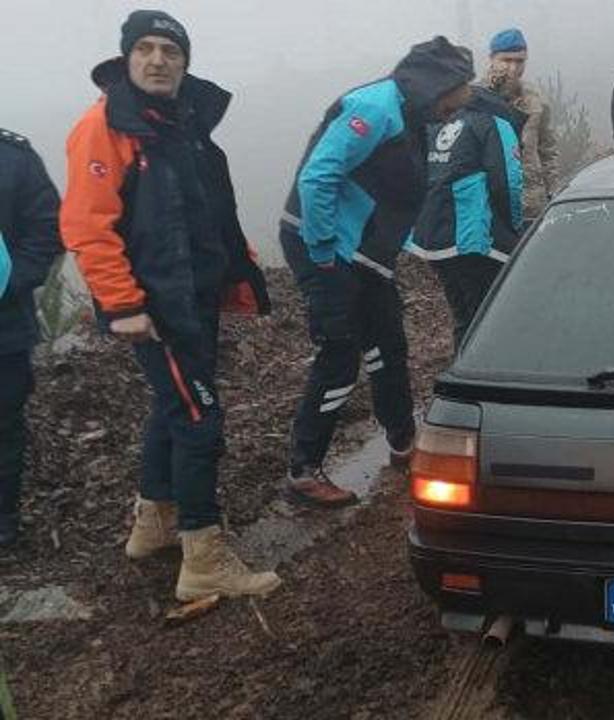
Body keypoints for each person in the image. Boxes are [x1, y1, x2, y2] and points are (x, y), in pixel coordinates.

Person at [60, 10, 279, 600]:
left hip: (194, 296)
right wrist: (123, 304)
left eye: (171, 51)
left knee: (171, 408)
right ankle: (204, 556)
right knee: (199, 418)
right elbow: (87, 225)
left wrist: (240, 265)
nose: (159, 60)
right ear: (127, 59)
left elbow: (206, 207)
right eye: (147, 50)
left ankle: (152, 526)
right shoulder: (105, 126)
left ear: (185, 62)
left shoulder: (180, 123)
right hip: (156, 309)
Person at [279, 37, 474, 508]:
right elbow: (318, 176)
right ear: (437, 84)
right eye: (460, 88)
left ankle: (404, 443)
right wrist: (324, 249)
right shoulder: (375, 108)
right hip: (322, 247)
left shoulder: (416, 114)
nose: (464, 99)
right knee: (340, 355)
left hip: (366, 255)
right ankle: (304, 471)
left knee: (388, 342)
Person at [406, 51, 524, 351]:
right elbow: (507, 180)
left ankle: (460, 373)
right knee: (487, 318)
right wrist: (515, 227)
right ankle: (484, 377)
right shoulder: (496, 117)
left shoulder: (439, 116)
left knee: (463, 317)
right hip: (471, 237)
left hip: (433, 235)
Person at [0, 129, 62, 548]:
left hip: (4, 329)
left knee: (4, 427)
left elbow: (48, 228)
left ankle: (3, 524)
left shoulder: (13, 158)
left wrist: (12, 281)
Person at [486, 28, 558, 221]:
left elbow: (547, 149)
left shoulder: (536, 99)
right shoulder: (475, 98)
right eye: (506, 60)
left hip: (531, 203)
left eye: (519, 61)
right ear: (492, 59)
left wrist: (553, 191)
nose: (513, 68)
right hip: (491, 205)